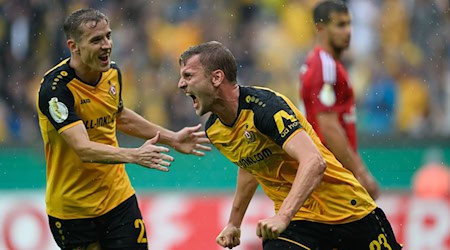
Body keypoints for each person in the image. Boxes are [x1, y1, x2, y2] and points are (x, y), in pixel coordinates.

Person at [178, 41, 401, 249]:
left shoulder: (265, 108)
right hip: (297, 223)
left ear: (216, 78)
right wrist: (234, 223)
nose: (181, 84)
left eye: (188, 75)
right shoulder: (215, 129)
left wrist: (282, 216)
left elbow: (314, 162)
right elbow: (250, 164)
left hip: (348, 213)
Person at [36, 8, 210, 250]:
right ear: (73, 46)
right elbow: (82, 148)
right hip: (74, 212)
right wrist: (134, 155)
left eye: (108, 36)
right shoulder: (55, 90)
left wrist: (172, 138)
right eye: (96, 40)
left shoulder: (112, 73)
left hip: (118, 200)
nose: (106, 45)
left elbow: (118, 115)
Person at [299, 0, 380, 200]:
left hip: (327, 170)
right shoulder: (324, 66)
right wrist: (360, 173)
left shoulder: (321, 63)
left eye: (349, 24)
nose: (348, 31)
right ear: (320, 28)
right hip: (331, 173)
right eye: (340, 25)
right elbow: (328, 126)